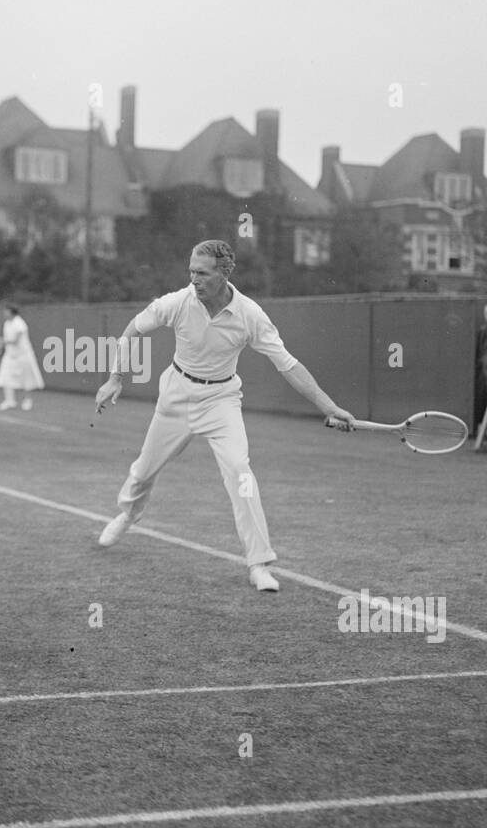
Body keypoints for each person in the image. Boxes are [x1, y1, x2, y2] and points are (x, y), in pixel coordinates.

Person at [93, 240, 355, 593]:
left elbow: (288, 365)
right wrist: (115, 377)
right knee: (142, 472)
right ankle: (128, 515)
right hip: (176, 396)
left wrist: (328, 407)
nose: (194, 279)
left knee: (240, 473)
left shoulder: (250, 315)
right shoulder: (177, 303)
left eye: (202, 273)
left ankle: (259, 563)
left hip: (222, 400)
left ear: (225, 272)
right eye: (191, 272)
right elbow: (131, 332)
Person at [0, 304, 45, 410]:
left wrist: (1, 341)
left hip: (24, 355)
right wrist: (1, 347)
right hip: (10, 355)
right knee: (5, 377)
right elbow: (7, 340)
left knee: (27, 379)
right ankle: (9, 401)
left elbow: (15, 341)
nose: (4, 313)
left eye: (6, 311)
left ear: (11, 312)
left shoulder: (19, 323)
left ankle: (27, 401)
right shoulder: (7, 323)